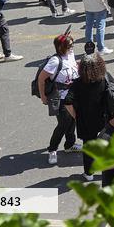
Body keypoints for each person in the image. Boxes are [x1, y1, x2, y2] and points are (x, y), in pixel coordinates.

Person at [64, 53, 114, 181]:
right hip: (104, 118)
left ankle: (89, 173)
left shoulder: (78, 83)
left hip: (86, 120)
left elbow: (67, 101)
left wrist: (75, 115)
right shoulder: (104, 79)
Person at [37, 33, 80, 165]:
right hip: (60, 97)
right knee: (63, 124)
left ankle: (70, 144)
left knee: (72, 120)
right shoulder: (55, 61)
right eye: (70, 45)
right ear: (61, 47)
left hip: (73, 95)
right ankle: (52, 149)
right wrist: (43, 96)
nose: (72, 47)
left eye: (72, 45)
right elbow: (41, 79)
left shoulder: (70, 55)